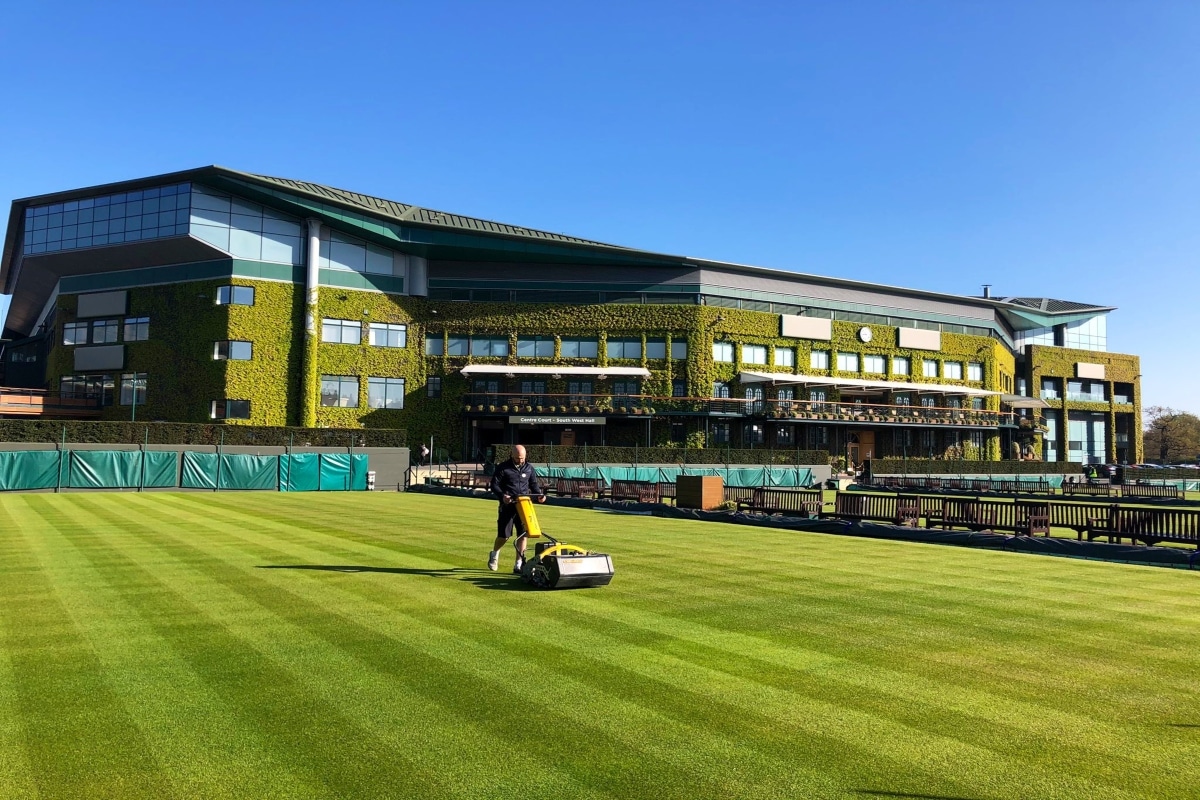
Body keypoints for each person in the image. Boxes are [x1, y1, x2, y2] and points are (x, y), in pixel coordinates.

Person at [487, 444, 546, 573]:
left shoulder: (529, 468)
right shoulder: (503, 468)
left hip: (524, 505)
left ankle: (518, 564)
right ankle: (494, 554)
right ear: (512, 455)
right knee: (504, 536)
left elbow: (534, 485)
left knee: (523, 535)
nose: (520, 460)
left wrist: (539, 496)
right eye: (518, 458)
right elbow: (494, 485)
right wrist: (503, 496)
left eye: (522, 458)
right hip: (508, 505)